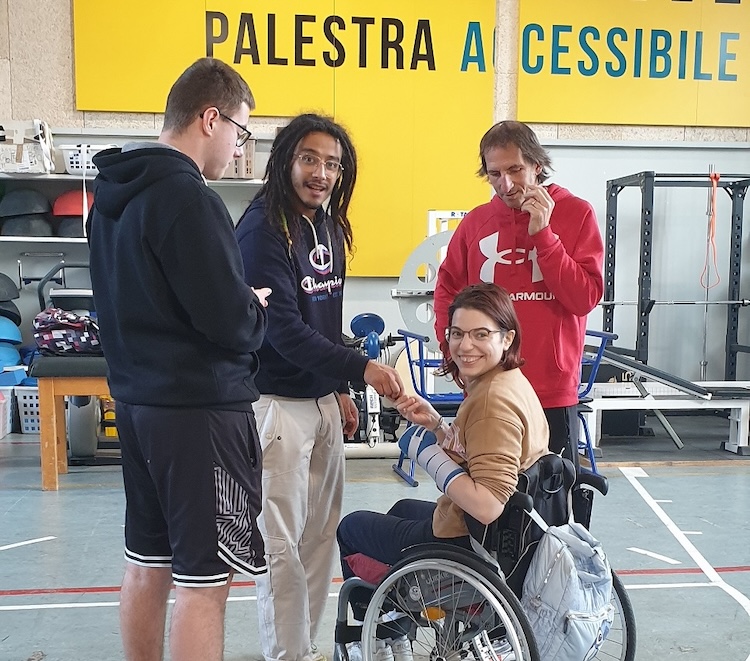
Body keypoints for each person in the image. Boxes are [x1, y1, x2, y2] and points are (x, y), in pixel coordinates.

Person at [87, 58, 270, 661]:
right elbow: (229, 321)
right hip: (197, 413)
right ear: (210, 118)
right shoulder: (189, 198)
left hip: (137, 403)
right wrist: (253, 307)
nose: (239, 149)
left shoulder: (110, 196)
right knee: (203, 581)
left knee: (147, 563)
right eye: (240, 132)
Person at [236, 113, 404, 661]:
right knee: (280, 545)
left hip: (320, 402)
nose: (321, 173)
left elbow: (325, 318)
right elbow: (283, 331)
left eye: (333, 164)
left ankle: (304, 647)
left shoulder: (327, 225)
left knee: (318, 538)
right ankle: (287, 654)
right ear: (286, 159)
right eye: (309, 159)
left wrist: (339, 388)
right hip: (276, 408)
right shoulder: (262, 230)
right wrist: (362, 369)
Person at [337, 282, 550, 661]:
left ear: (507, 338)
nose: (465, 346)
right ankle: (395, 627)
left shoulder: (491, 402)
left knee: (351, 528)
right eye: (457, 334)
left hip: (472, 539)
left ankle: (382, 639)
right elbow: (485, 455)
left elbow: (487, 505)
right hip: (504, 535)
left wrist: (428, 455)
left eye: (481, 334)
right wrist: (437, 425)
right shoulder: (510, 381)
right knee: (402, 508)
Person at [433, 120, 604, 471]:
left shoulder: (576, 213)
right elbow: (447, 293)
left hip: (551, 390)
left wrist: (544, 236)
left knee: (552, 492)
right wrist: (454, 352)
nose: (505, 184)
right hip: (486, 389)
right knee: (487, 490)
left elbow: (584, 298)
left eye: (515, 170)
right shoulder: (476, 223)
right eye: (494, 174)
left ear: (537, 165)